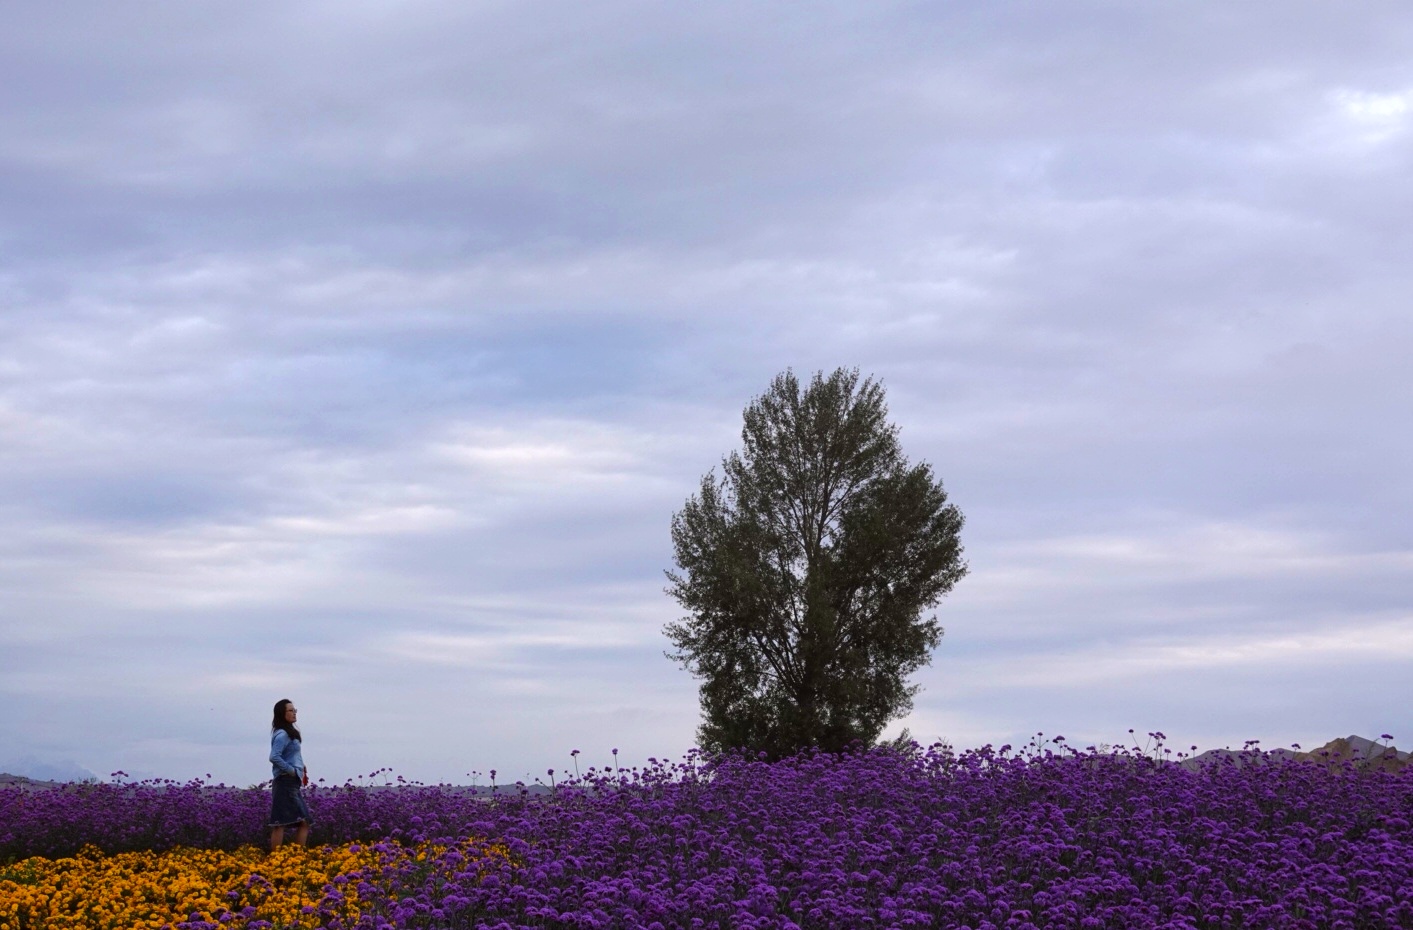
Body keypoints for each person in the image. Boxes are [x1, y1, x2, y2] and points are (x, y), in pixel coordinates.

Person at [268, 698, 312, 850]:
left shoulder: (288, 733)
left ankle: (294, 858)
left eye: (295, 710)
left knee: (297, 822)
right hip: (285, 781)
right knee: (282, 823)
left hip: (290, 781)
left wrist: (300, 766)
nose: (294, 713)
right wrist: (292, 770)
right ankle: (280, 860)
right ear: (282, 713)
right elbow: (274, 757)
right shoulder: (283, 734)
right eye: (290, 710)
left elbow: (289, 755)